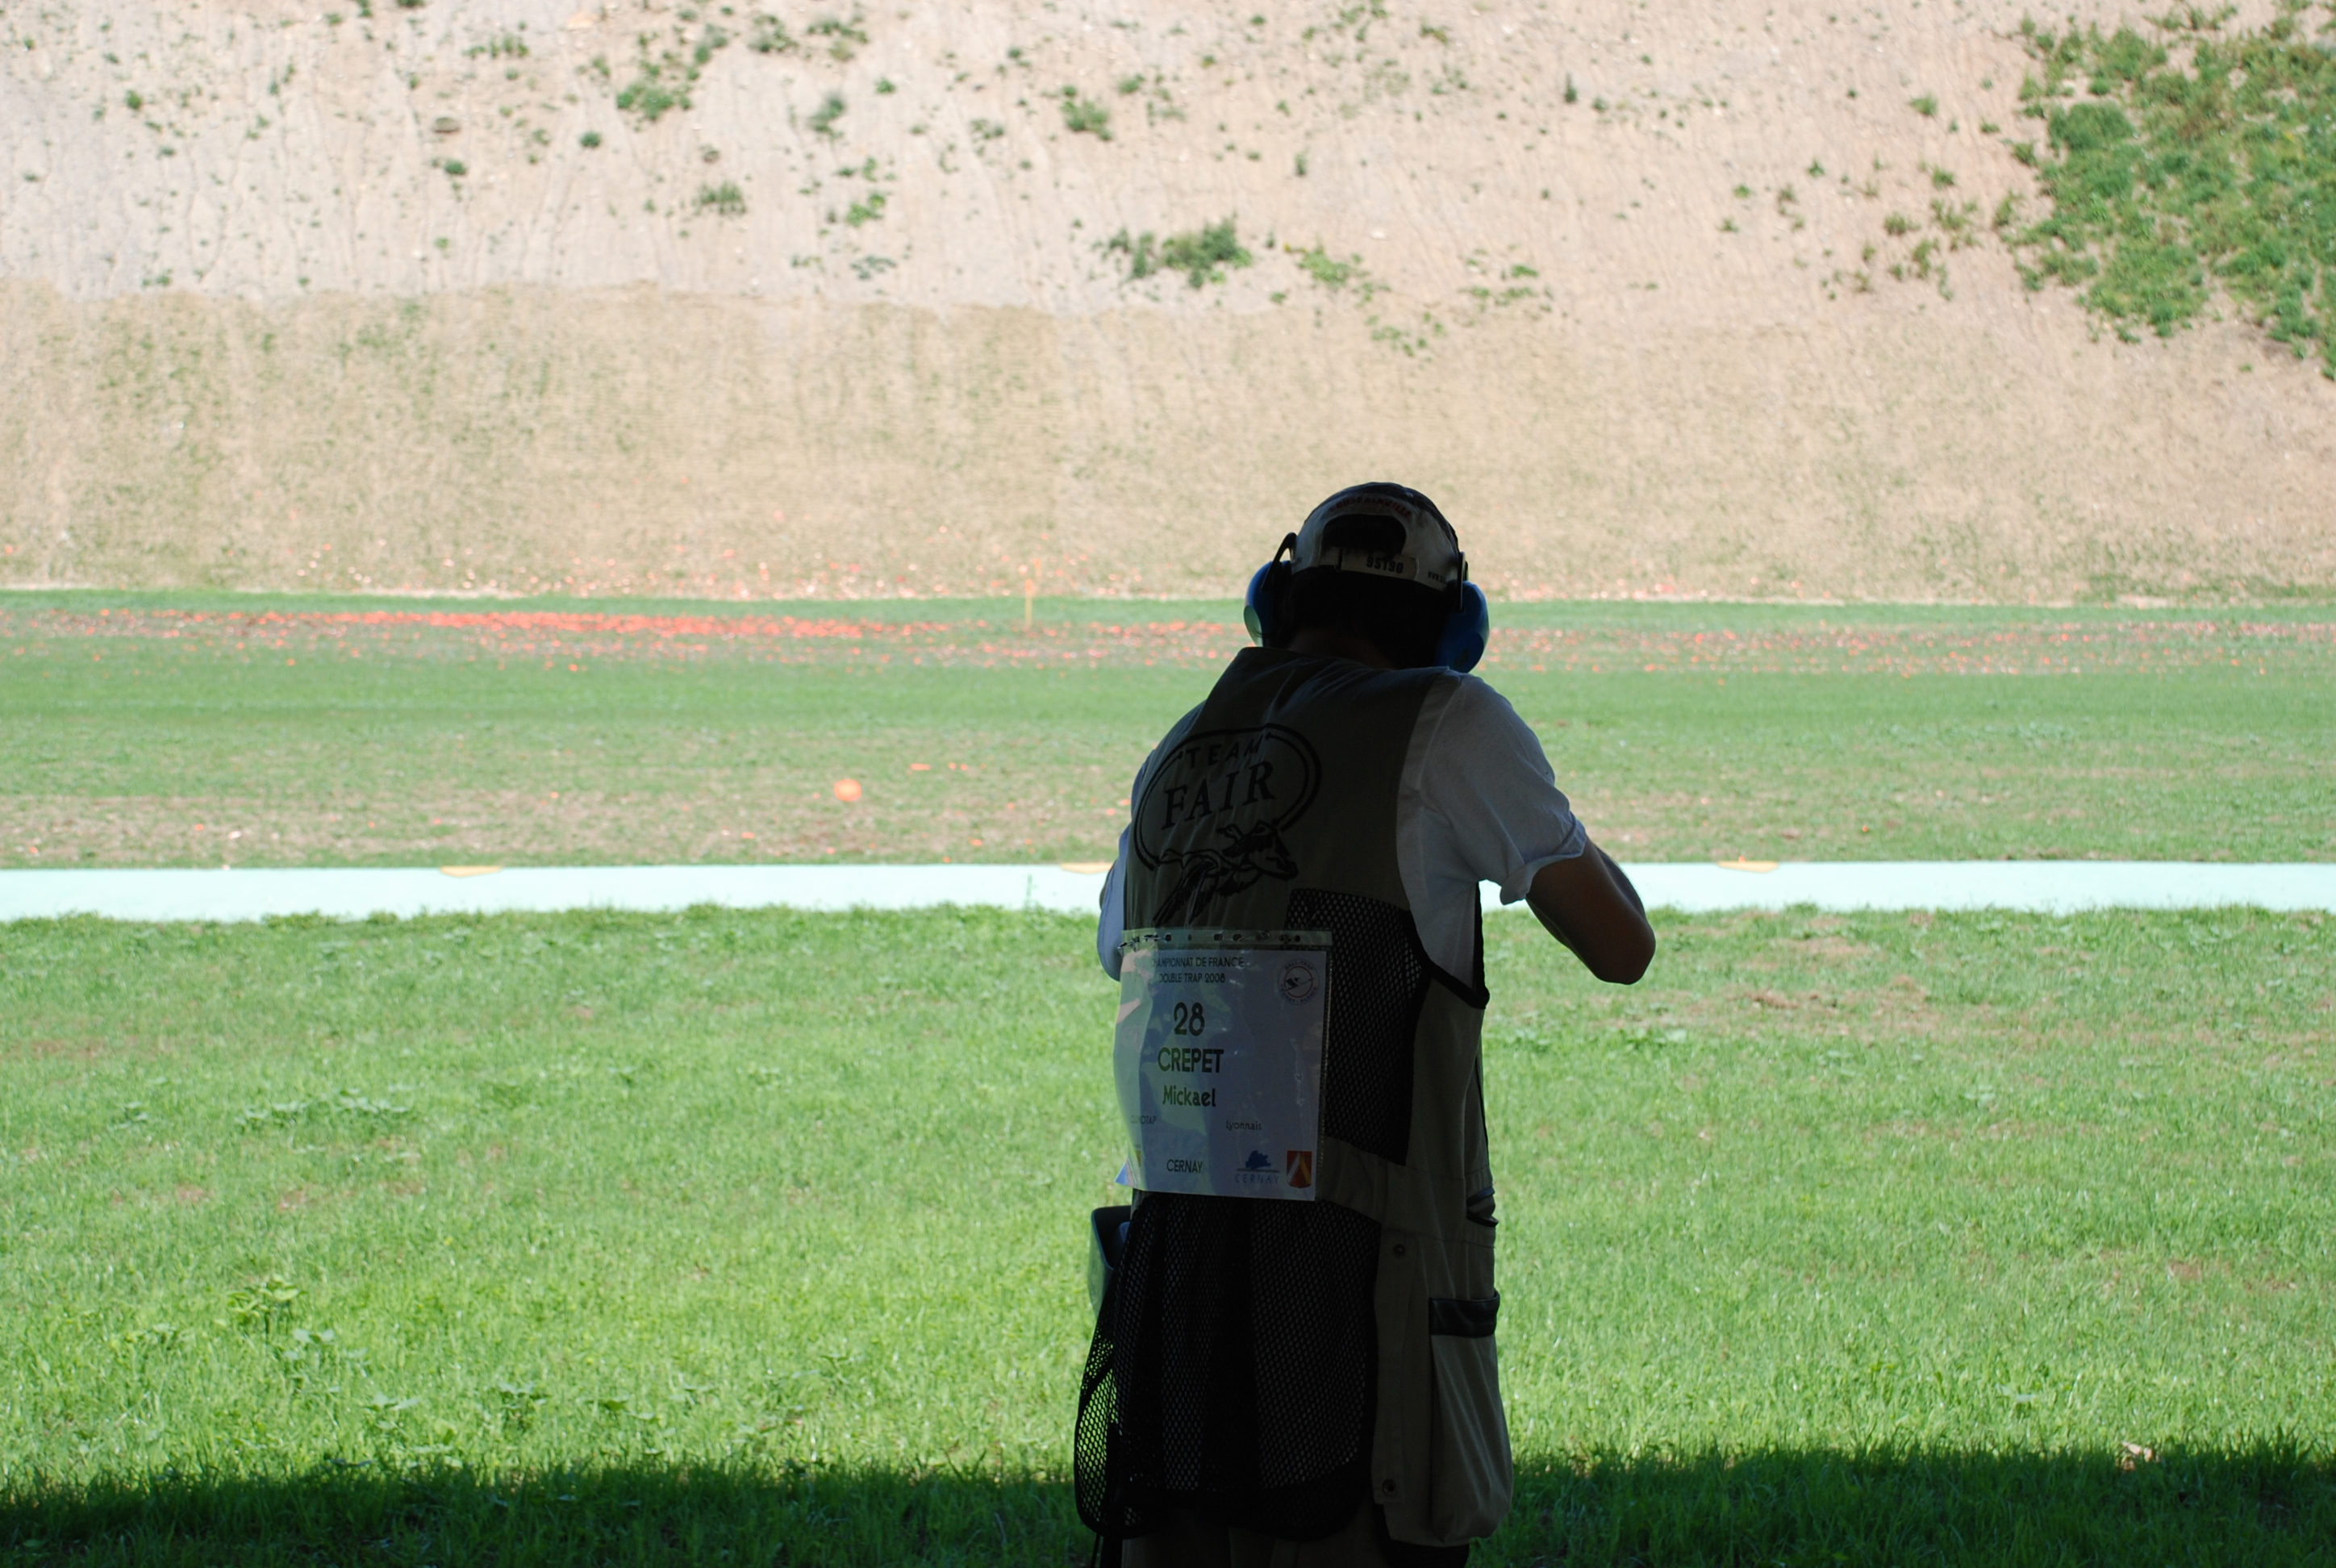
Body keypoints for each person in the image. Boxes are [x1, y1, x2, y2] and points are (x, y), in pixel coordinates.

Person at [1075, 483, 1656, 1567]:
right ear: (1449, 625)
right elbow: (1621, 944)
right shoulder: (1449, 722)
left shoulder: (1182, 750)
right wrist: (1536, 818)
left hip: (1181, 1284)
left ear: (1278, 600)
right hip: (1358, 1300)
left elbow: (1123, 944)